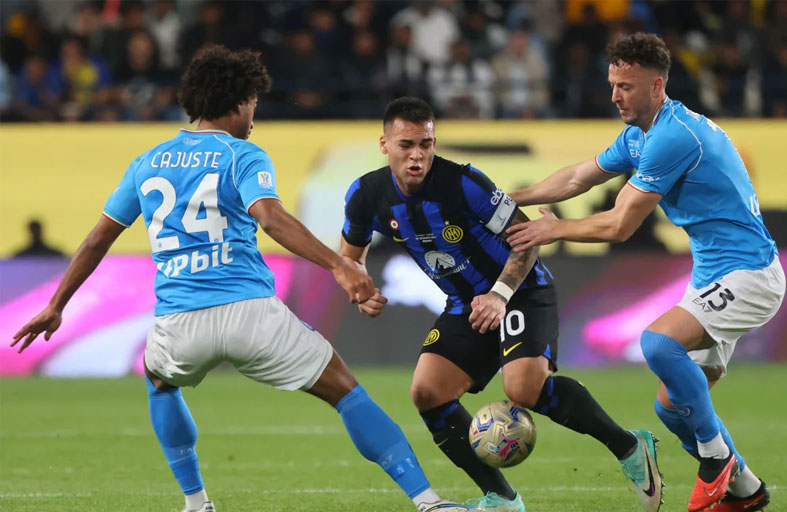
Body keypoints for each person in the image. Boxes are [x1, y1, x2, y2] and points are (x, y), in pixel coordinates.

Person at [11, 46, 470, 512]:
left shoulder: (148, 162)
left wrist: (56, 305)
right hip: (251, 314)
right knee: (345, 391)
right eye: (253, 103)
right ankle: (428, 501)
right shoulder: (243, 155)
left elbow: (97, 239)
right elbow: (269, 217)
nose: (254, 115)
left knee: (158, 379)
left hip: (179, 322)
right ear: (237, 102)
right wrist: (338, 264)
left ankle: (196, 502)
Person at [339, 96, 663, 512]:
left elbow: (527, 239)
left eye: (426, 144)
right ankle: (503, 499)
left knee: (523, 389)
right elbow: (350, 257)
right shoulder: (366, 194)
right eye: (406, 145)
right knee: (427, 392)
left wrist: (499, 294)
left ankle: (630, 447)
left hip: (521, 291)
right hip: (465, 304)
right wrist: (360, 286)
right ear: (385, 145)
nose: (417, 155)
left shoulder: (464, 183)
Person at [506, 33, 784, 512]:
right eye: (613, 84)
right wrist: (510, 199)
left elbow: (619, 225)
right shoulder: (639, 134)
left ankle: (716, 460)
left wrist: (554, 229)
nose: (616, 96)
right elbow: (578, 177)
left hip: (749, 275)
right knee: (671, 409)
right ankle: (747, 490)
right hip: (714, 275)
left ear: (657, 86)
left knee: (657, 343)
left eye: (627, 87)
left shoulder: (672, 137)